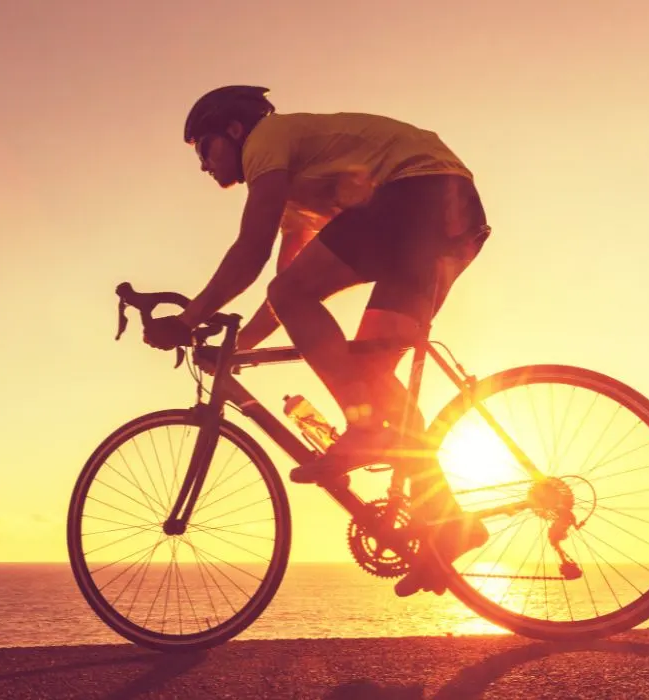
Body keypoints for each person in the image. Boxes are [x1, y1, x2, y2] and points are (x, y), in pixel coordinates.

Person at [142, 85, 489, 595]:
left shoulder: (267, 141)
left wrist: (190, 318)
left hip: (420, 192)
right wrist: (242, 349)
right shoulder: (293, 199)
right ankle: (451, 525)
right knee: (374, 380)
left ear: (235, 130)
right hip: (452, 217)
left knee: (362, 394)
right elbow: (284, 294)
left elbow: (252, 253)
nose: (202, 164)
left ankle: (364, 431)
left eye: (203, 147)